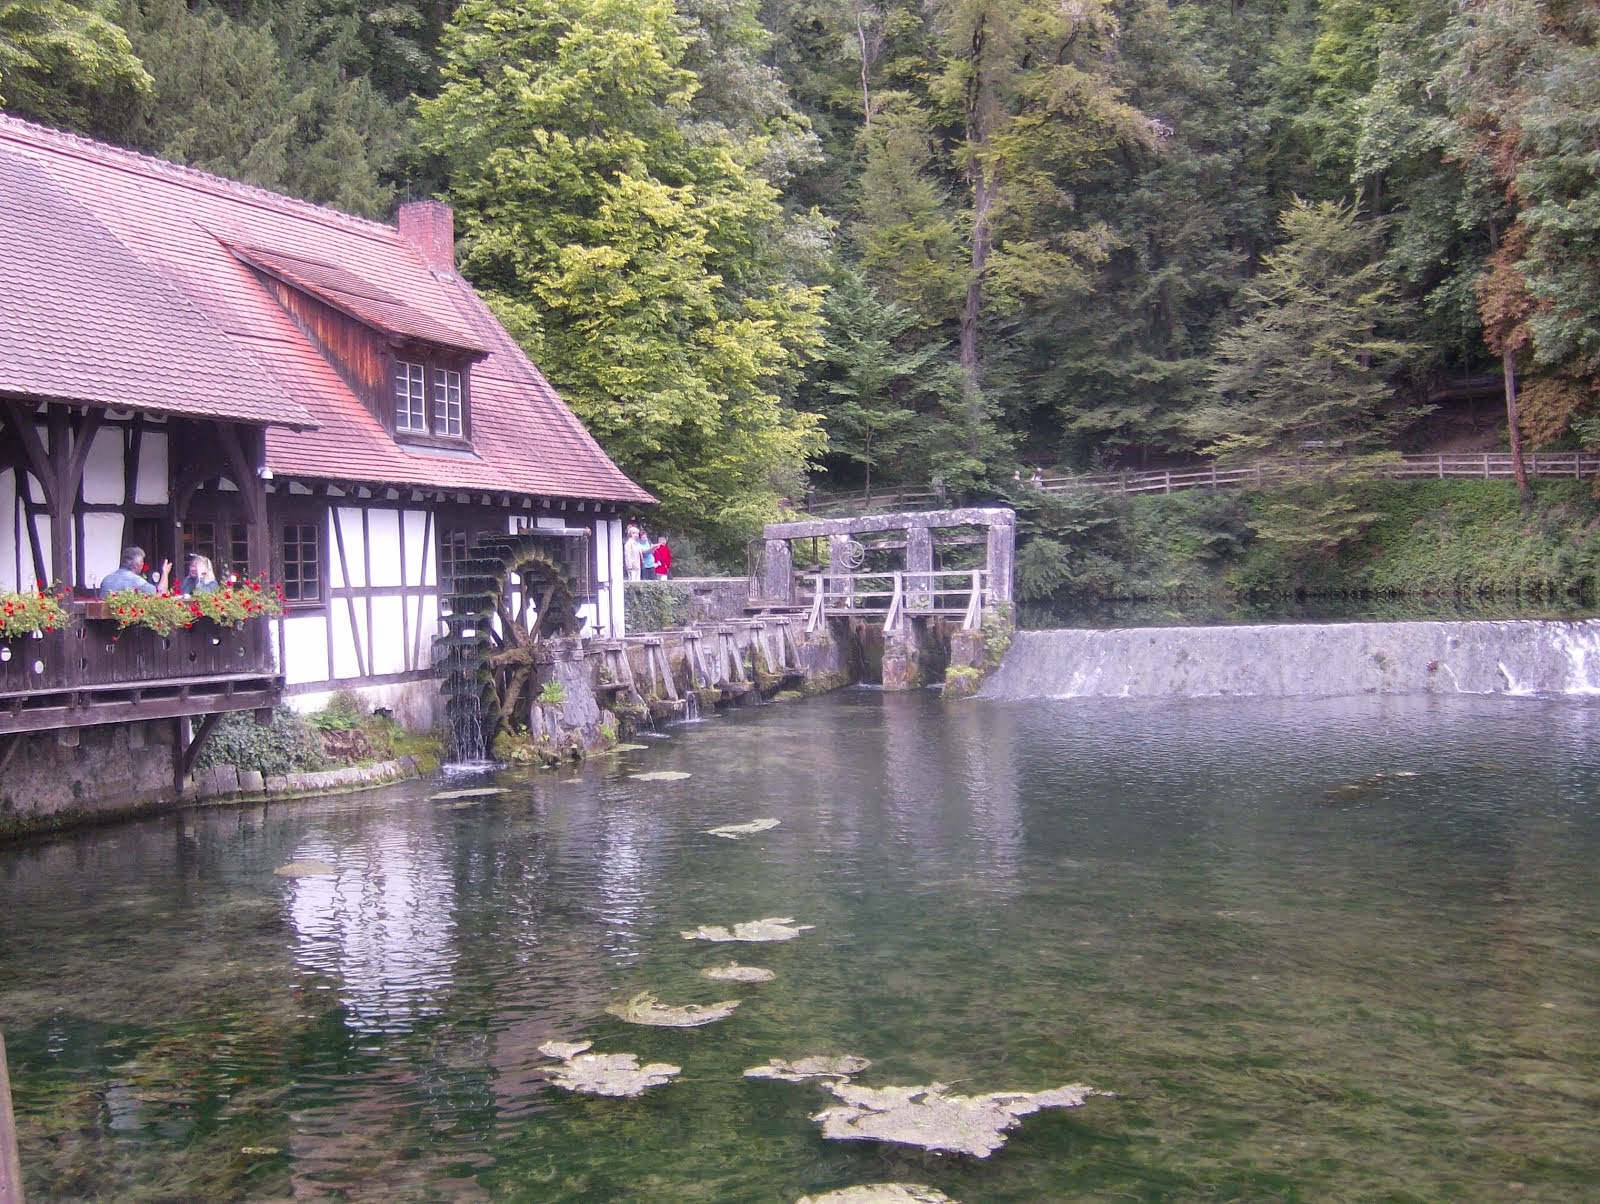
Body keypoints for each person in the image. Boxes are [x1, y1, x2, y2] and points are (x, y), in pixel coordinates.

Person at [100, 545, 169, 596]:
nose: (143, 564)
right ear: (136, 565)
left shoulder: (106, 579)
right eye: (142, 562)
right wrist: (165, 573)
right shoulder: (137, 581)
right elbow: (159, 595)